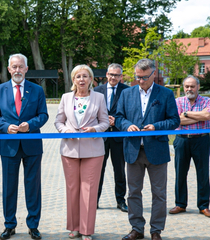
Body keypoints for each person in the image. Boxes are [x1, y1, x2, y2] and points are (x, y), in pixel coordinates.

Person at [115, 58, 180, 240]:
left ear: (154, 74)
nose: (140, 81)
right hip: (133, 151)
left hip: (157, 151)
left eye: (144, 77)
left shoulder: (165, 94)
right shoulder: (127, 94)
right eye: (137, 77)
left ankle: (156, 230)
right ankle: (137, 228)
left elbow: (174, 120)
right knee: (133, 192)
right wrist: (127, 125)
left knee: (159, 194)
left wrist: (156, 126)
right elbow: (118, 117)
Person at [0, 53, 48, 240]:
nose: (17, 70)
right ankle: (9, 225)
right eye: (14, 67)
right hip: (9, 145)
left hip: (32, 145)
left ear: (26, 69)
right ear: (8, 69)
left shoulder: (37, 90)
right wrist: (6, 127)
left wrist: (30, 125)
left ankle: (33, 225)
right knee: (9, 187)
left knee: (33, 187)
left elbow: (43, 115)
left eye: (20, 66)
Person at [55, 64, 109, 240]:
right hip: (69, 150)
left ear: (91, 79)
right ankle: (74, 227)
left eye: (85, 76)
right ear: (73, 79)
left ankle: (86, 230)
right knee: (72, 189)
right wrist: (65, 131)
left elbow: (105, 122)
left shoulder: (99, 98)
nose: (82, 79)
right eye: (78, 76)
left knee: (89, 190)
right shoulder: (65, 98)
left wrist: (95, 129)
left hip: (93, 150)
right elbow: (58, 121)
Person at [170, 75, 210, 217]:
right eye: (187, 86)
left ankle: (204, 205)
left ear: (198, 87)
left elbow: (207, 116)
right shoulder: (177, 101)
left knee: (203, 173)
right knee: (180, 173)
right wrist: (197, 116)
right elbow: (177, 120)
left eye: (192, 86)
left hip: (202, 140)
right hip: (182, 140)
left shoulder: (207, 101)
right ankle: (180, 204)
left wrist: (186, 114)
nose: (189, 89)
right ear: (183, 87)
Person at [94, 63, 129, 212]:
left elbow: (130, 112)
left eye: (117, 75)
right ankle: (94, 200)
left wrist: (117, 121)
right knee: (97, 170)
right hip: (100, 137)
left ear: (121, 77)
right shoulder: (96, 91)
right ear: (107, 74)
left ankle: (120, 201)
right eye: (111, 74)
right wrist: (102, 121)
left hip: (118, 137)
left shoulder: (127, 91)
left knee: (119, 170)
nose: (113, 77)